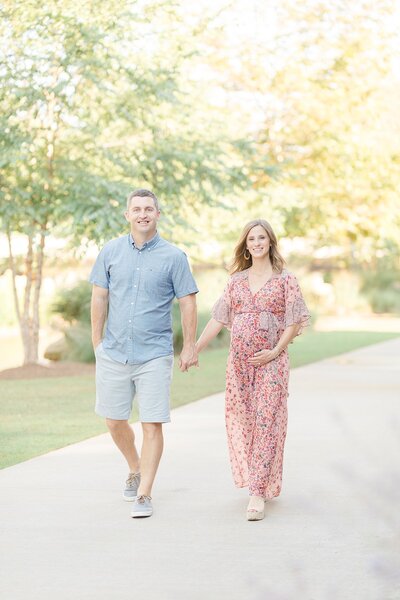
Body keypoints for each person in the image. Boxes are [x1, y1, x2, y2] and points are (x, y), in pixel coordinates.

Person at [89, 188, 198, 519]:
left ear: (158, 214)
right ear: (127, 215)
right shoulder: (109, 252)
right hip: (115, 351)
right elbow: (99, 297)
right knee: (113, 419)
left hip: (154, 353)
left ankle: (145, 494)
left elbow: (187, 301)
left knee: (152, 423)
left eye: (149, 208)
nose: (142, 214)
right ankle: (134, 466)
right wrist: (97, 344)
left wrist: (189, 344)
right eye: (136, 209)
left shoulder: (174, 257)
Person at [194, 219, 310, 521]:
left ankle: (256, 493)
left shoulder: (286, 279)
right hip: (240, 364)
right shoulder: (235, 282)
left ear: (270, 242)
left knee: (267, 421)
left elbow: (294, 321)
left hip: (272, 361)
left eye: (261, 238)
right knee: (247, 422)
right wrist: (194, 349)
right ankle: (260, 479)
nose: (256, 243)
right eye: (251, 239)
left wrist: (275, 350)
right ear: (245, 246)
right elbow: (218, 318)